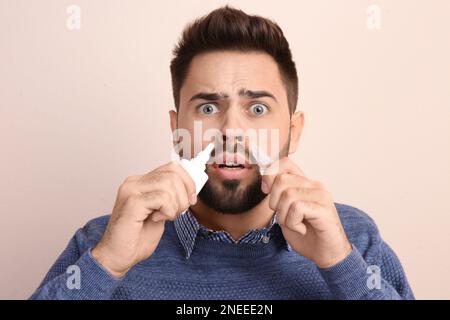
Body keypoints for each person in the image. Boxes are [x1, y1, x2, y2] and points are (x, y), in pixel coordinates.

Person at [31, 5, 414, 300]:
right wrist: (107, 264)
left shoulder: (353, 239)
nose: (231, 130)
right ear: (177, 130)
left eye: (258, 109)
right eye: (208, 108)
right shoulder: (103, 239)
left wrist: (340, 264)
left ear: (293, 131)